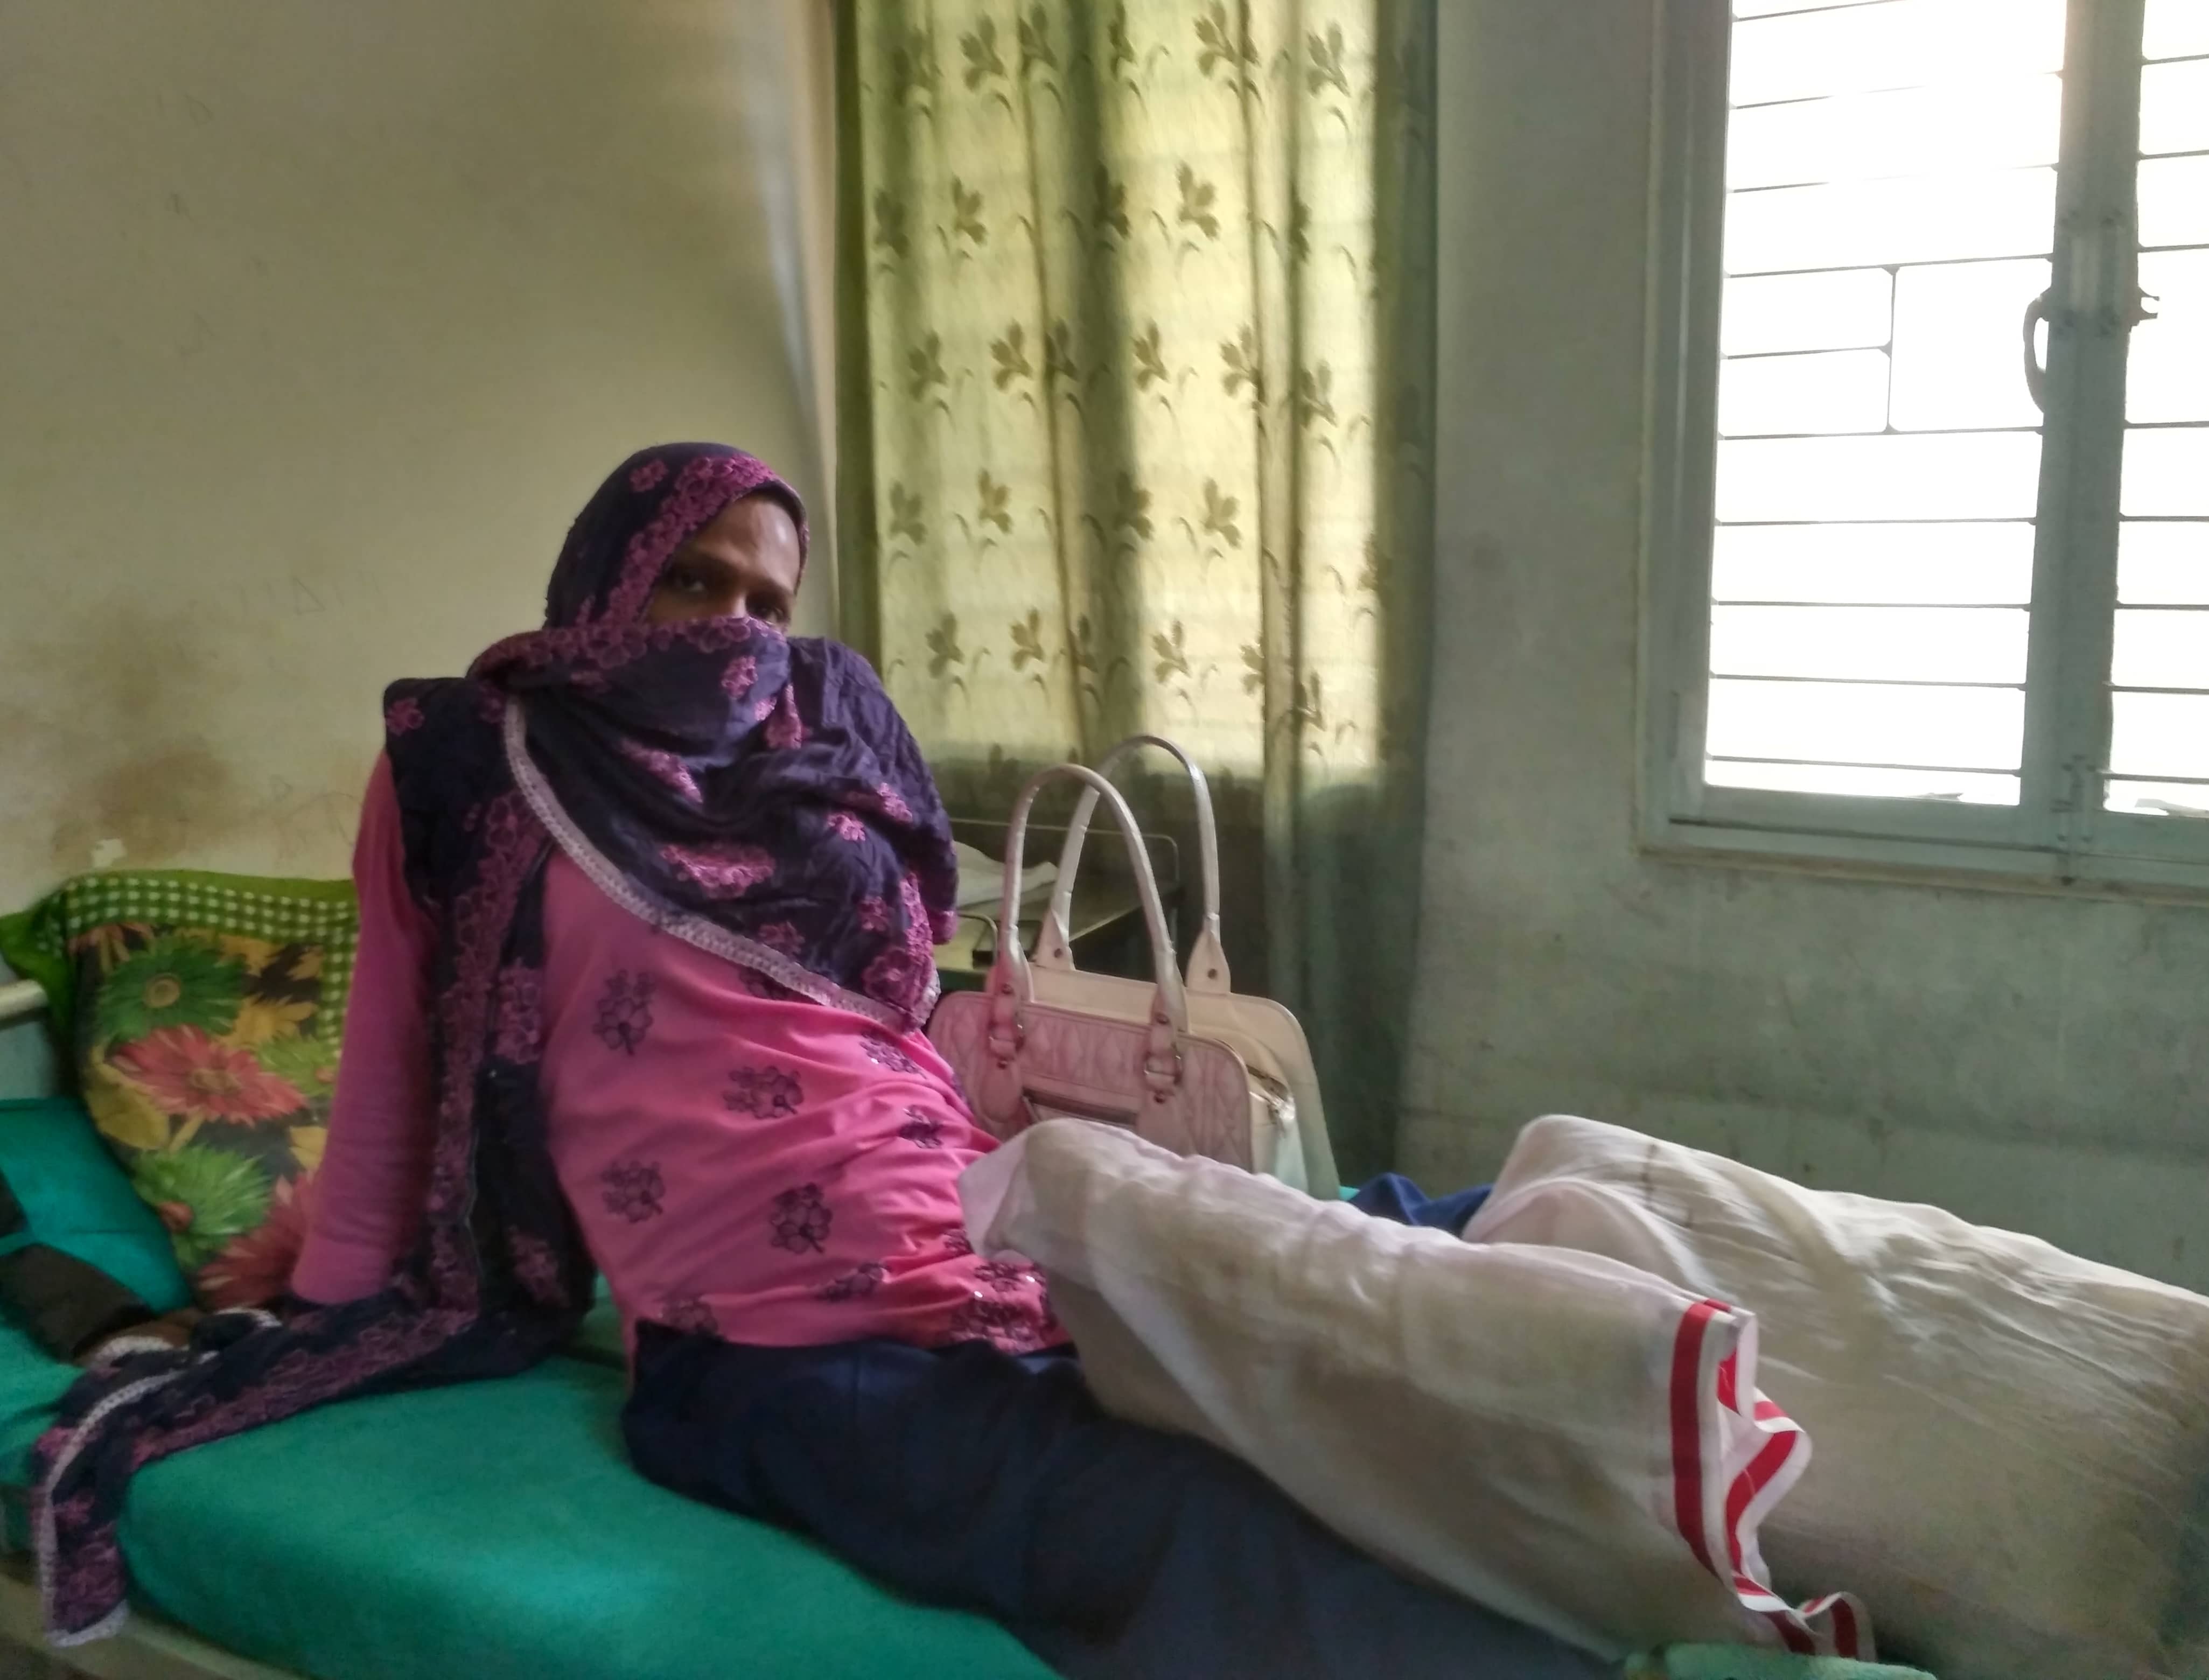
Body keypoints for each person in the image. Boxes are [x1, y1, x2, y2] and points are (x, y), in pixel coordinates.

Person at [37, 445, 1600, 1679]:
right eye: (691, 584)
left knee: (1440, 1234)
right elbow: (395, 1072)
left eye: (768, 599)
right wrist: (327, 1298)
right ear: (606, 580)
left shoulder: (814, 741)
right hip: (771, 1351)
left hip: (976, 1218)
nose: (735, 628)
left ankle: (1736, 1415)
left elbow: (881, 1022)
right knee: (1182, 1527)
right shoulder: (478, 769)